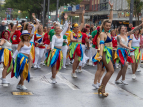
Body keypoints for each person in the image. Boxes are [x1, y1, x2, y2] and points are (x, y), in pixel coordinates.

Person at [45, 14, 68, 84]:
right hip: (54, 51)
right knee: (54, 64)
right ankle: (54, 78)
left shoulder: (61, 35)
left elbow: (66, 27)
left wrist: (66, 19)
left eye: (59, 29)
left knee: (58, 65)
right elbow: (52, 43)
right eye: (57, 29)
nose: (58, 30)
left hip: (60, 51)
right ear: (55, 30)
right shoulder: (54, 36)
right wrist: (52, 50)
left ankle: (53, 75)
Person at [97, 1, 114, 97]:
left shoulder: (109, 33)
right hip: (104, 52)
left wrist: (111, 8)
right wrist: (100, 54)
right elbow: (101, 45)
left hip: (109, 52)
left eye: (109, 26)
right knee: (111, 70)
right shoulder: (103, 34)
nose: (108, 27)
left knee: (110, 71)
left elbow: (110, 19)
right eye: (107, 26)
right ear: (103, 26)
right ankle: (102, 88)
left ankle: (102, 88)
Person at [0, 21, 18, 86]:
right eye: (5, 34)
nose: (6, 35)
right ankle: (4, 79)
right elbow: (1, 43)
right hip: (5, 53)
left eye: (7, 34)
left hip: (10, 53)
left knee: (11, 68)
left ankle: (3, 77)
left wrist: (16, 25)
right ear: (3, 35)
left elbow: (12, 31)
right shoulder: (3, 39)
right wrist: (1, 43)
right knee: (6, 67)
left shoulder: (8, 39)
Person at [70, 10, 85, 78]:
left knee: (79, 60)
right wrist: (76, 40)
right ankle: (73, 72)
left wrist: (82, 15)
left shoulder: (79, 32)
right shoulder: (72, 33)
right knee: (76, 60)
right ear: (74, 28)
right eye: (76, 27)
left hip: (80, 46)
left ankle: (74, 70)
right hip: (75, 46)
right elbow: (71, 39)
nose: (78, 27)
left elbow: (82, 22)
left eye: (78, 27)